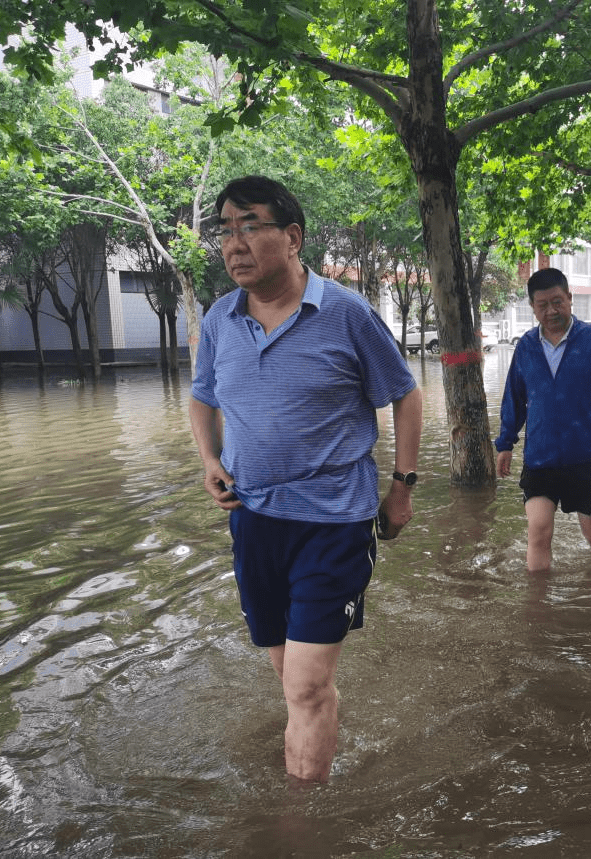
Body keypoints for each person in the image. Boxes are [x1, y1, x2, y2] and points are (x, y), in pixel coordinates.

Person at [189, 175, 423, 782]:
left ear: (292, 237)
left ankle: (302, 827)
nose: (233, 244)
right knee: (290, 677)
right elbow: (200, 398)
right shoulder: (220, 318)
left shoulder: (346, 313)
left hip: (334, 522)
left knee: (309, 687)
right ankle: (313, 763)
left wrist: (402, 486)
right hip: (254, 521)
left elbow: (405, 395)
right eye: (225, 230)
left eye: (249, 226)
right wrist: (210, 460)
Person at [494, 267, 591, 573]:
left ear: (570, 299)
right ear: (533, 308)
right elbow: (514, 397)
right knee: (538, 532)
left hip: (585, 459)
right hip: (540, 459)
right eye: (542, 305)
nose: (551, 311)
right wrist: (505, 444)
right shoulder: (525, 346)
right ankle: (538, 613)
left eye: (557, 302)